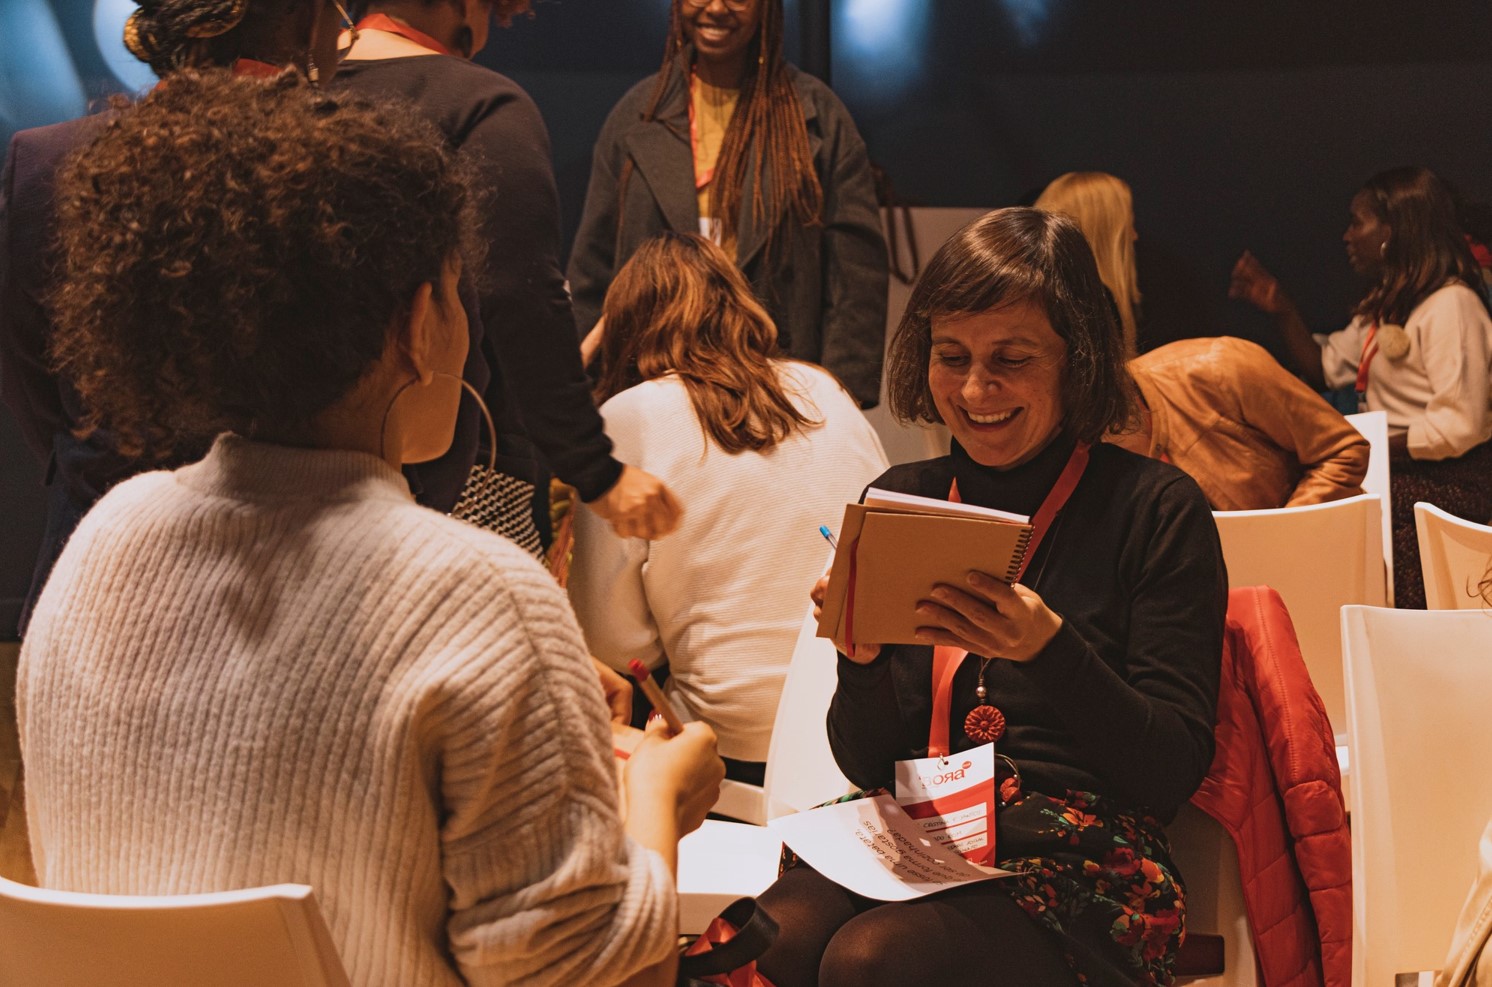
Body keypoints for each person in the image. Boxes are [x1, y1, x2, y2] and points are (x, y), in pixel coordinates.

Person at [18, 71, 721, 987]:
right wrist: (657, 797)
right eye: (459, 291)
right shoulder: (482, 595)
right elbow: (600, 977)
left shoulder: (101, 544)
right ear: (420, 321)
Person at [747, 208, 1226, 987]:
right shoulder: (904, 497)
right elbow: (869, 758)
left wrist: (1051, 650)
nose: (974, 388)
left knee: (873, 960)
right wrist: (861, 661)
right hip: (917, 828)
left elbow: (1168, 769)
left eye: (1011, 358)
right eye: (951, 356)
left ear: (1078, 362)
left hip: (1084, 858)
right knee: (773, 939)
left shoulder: (1154, 508)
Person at [0, 0, 349, 634]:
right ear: (306, 21)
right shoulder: (338, 168)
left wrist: (93, 450)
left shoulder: (44, 159)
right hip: (278, 575)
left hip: (90, 556)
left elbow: (33, 368)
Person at [335, 0, 682, 551]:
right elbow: (517, 294)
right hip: (455, 479)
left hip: (282, 472)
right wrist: (597, 473)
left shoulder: (281, 95)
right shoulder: (479, 105)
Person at [568, 232, 888, 775]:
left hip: (725, 751)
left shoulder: (627, 419)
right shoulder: (825, 389)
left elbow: (619, 648)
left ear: (625, 328)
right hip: (862, 727)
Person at [567, 0, 888, 410]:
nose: (716, 8)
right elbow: (592, 270)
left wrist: (842, 398)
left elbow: (856, 279)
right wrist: (580, 392)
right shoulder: (636, 114)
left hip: (779, 390)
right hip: (650, 384)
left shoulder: (819, 116)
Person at [1230, 165, 1492, 608]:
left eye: (1358, 222)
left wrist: (1373, 446)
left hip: (1449, 479)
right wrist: (1282, 309)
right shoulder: (1388, 307)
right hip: (1396, 466)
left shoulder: (1452, 305)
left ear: (1394, 229)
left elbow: (1459, 427)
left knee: (1359, 515)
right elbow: (1328, 367)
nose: (1347, 236)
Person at [1033, 171, 1369, 509]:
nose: (1134, 237)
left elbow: (1342, 447)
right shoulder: (1050, 443)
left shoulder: (1216, 366)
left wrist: (1277, 537)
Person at [1110, 335, 1369, 510]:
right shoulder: (1080, 456)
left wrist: (1283, 532)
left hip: (1312, 563)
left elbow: (1345, 450)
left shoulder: (1219, 366)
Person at [1034, 171, 1143, 357]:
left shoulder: (1030, 293)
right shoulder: (1089, 301)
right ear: (1102, 232)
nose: (1134, 235)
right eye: (1127, 225)